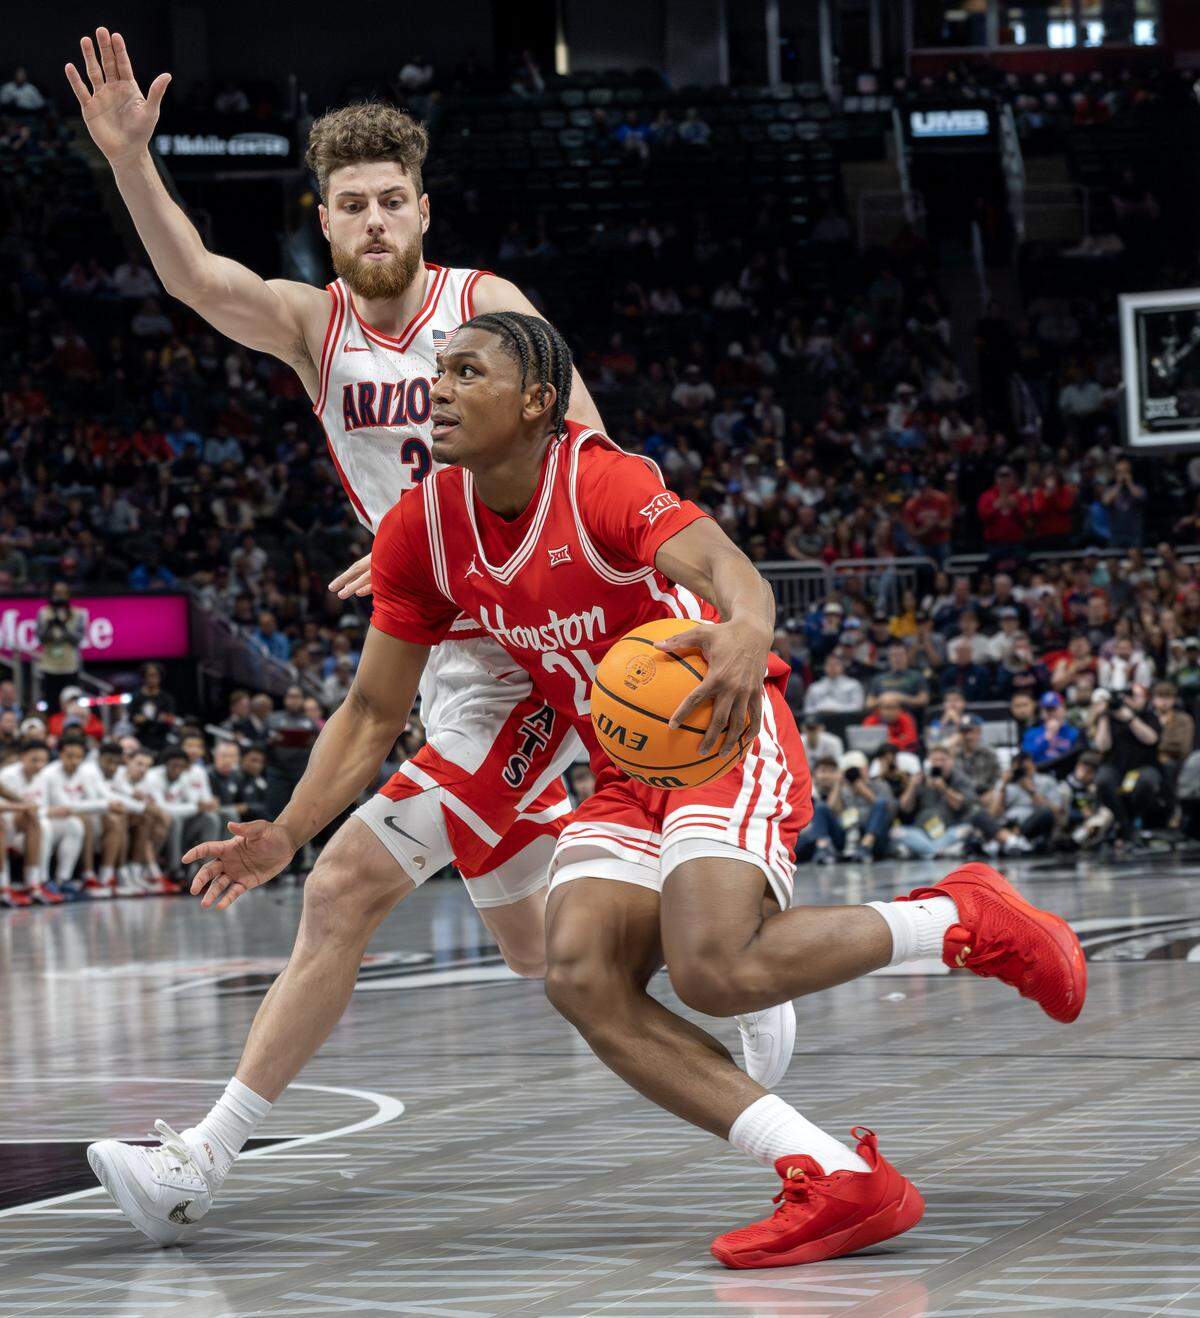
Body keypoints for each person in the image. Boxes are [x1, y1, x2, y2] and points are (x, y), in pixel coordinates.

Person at [86, 313, 1085, 1263]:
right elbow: (368, 712)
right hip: (613, 762)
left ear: (538, 400)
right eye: (438, 371)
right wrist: (290, 830)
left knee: (711, 969)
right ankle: (827, 1172)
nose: (439, 388)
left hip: (714, 731)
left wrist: (748, 624)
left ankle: (958, 914)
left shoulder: (599, 480)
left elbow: (727, 564)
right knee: (574, 972)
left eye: (468, 371)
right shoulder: (420, 530)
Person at [66, 28, 608, 988]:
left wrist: (443, 529)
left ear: (424, 211)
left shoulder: (488, 300)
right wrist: (132, 159)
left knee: (347, 885)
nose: (376, 223)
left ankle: (212, 1142)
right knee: (538, 955)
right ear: (326, 221)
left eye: (392, 202)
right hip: (443, 636)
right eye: (353, 206)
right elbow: (194, 278)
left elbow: (588, 453)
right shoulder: (315, 326)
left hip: (534, 612)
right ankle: (696, 961)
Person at [0, 741, 50, 906]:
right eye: (34, 760)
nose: (39, 765)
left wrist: (24, 806)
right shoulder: (8, 774)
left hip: (12, 825)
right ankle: (3, 888)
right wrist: (23, 805)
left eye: (43, 760)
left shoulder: (42, 776)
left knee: (32, 818)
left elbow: (5, 792)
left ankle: (32, 883)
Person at [34, 581, 87, 713]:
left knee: (72, 704)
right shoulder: (43, 613)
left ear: (68, 594)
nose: (59, 596)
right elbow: (40, 638)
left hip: (70, 667)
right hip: (50, 666)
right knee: (51, 705)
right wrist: (50, 626)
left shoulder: (78, 613)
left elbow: (78, 639)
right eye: (57, 593)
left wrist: (64, 627)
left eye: (63, 593)